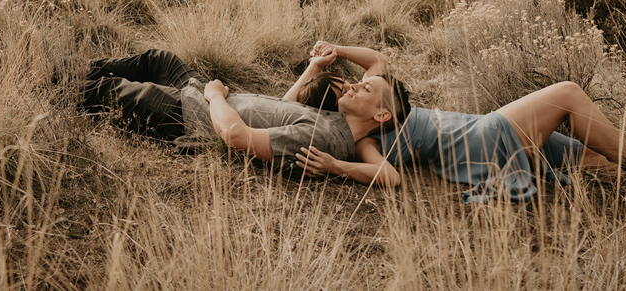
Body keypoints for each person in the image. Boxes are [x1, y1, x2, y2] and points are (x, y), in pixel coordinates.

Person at [290, 41, 626, 203]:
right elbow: (390, 177)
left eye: (356, 83)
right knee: (567, 92)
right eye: (346, 90)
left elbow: (378, 59)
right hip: (488, 134)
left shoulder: (381, 103)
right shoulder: (364, 138)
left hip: (487, 128)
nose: (352, 84)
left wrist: (327, 55)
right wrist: (337, 165)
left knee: (596, 162)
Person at [77, 45, 410, 183]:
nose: (353, 85)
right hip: (206, 95)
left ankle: (52, 76)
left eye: (364, 89)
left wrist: (214, 96)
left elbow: (237, 137)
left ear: (381, 115)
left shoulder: (322, 139)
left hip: (192, 115)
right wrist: (321, 60)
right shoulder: (337, 122)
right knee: (159, 59)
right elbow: (377, 61)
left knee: (111, 89)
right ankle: (69, 67)